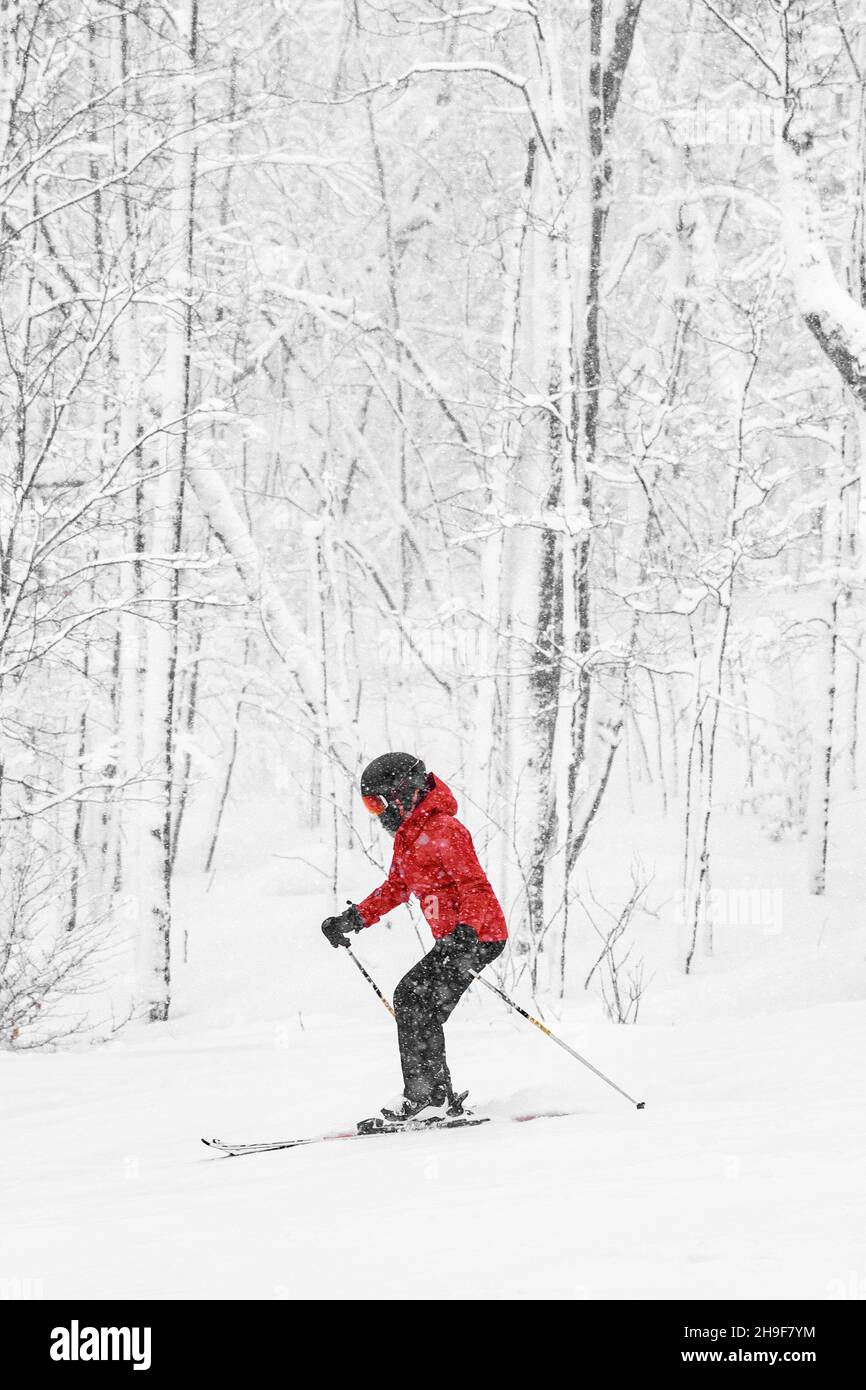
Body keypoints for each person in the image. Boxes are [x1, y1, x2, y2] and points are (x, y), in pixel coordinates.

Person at [321, 752, 507, 1124]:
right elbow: (395, 888)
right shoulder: (409, 838)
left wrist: (467, 933)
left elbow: (474, 886)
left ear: (402, 791)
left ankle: (430, 1097)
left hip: (478, 936)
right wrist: (352, 919)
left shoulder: (444, 830)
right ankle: (437, 1096)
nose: (378, 813)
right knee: (418, 1007)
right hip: (456, 940)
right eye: (371, 806)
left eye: (379, 802)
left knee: (412, 998)